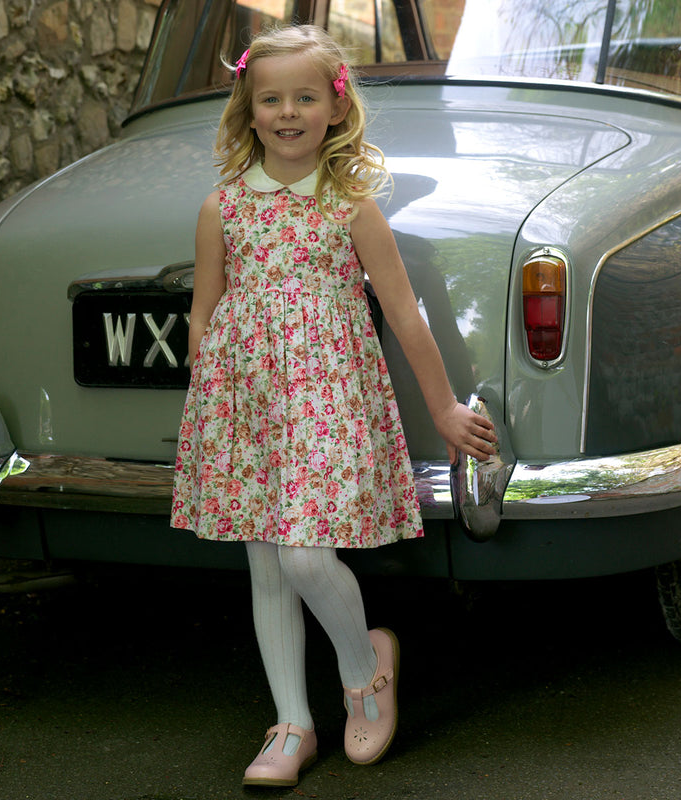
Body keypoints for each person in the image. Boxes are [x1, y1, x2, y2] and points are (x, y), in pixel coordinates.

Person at [171, 24, 496, 788]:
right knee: (266, 565)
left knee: (307, 553)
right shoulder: (222, 207)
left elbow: (405, 313)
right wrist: (208, 388)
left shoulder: (349, 206)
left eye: (306, 97)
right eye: (271, 98)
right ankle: (291, 723)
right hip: (247, 407)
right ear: (248, 110)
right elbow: (203, 311)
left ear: (334, 106)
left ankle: (364, 671)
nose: (288, 112)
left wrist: (446, 410)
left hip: (328, 402)